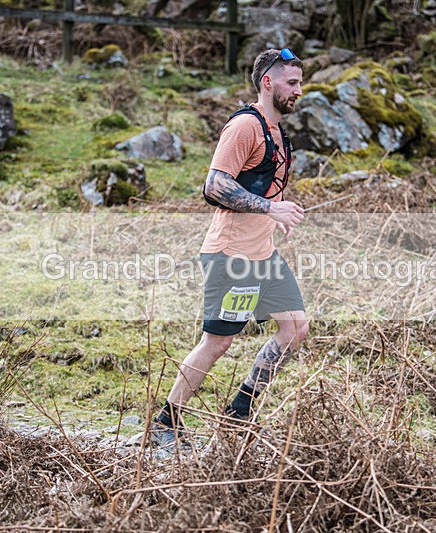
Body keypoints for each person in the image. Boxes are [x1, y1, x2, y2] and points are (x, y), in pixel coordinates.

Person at [149, 48, 309, 450]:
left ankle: (239, 413)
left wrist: (272, 217)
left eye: (301, 83)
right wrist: (271, 207)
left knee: (295, 328)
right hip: (231, 256)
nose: (299, 91)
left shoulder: (277, 132)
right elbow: (215, 186)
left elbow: (256, 188)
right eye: (292, 83)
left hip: (263, 254)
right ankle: (166, 422)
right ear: (267, 82)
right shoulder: (244, 127)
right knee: (218, 342)